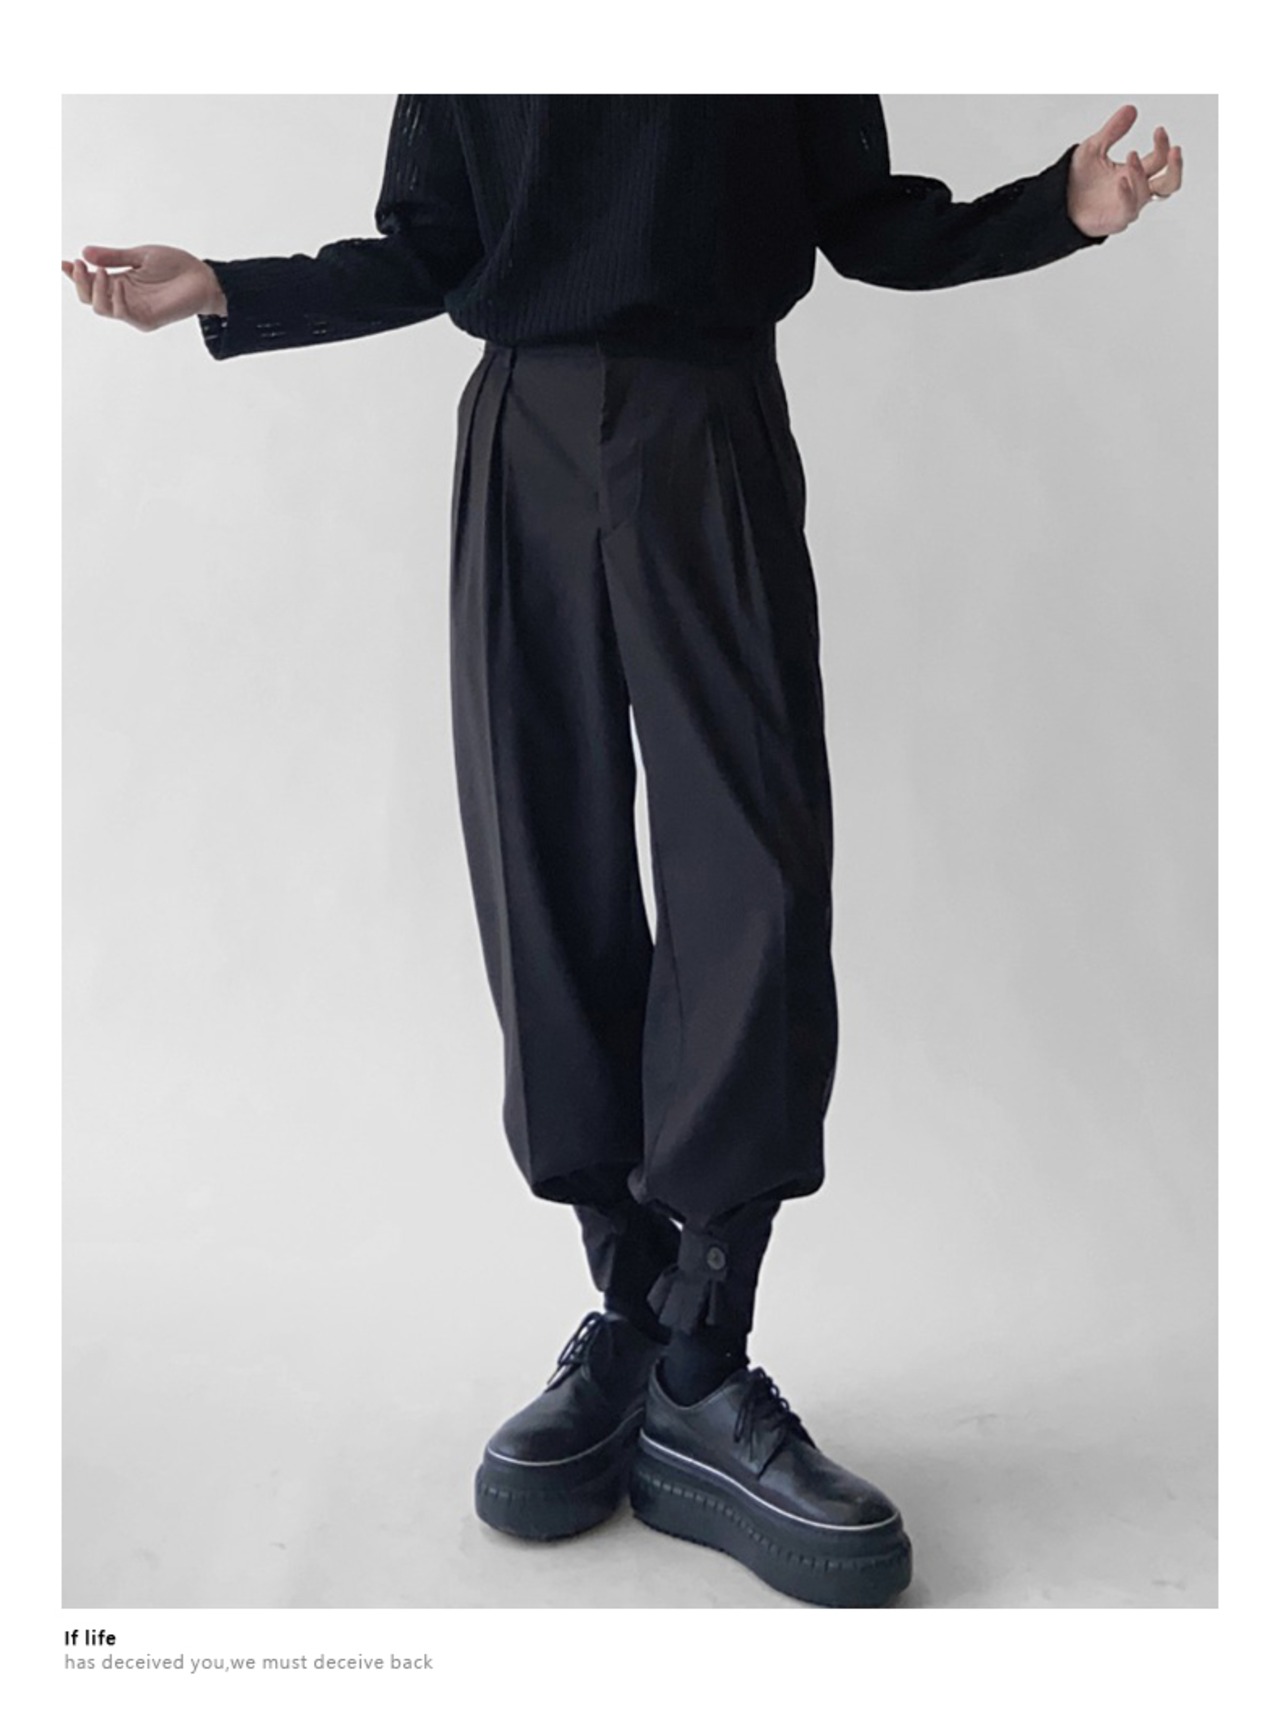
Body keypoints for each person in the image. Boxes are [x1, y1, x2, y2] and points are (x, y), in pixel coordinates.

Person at [63, 94, 1181, 1608]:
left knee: (752, 870)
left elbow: (867, 222)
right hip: (520, 424)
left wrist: (1061, 208)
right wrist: (227, 287)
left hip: (707, 418)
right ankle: (633, 1307)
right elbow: (431, 244)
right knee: (541, 857)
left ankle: (706, 1354)